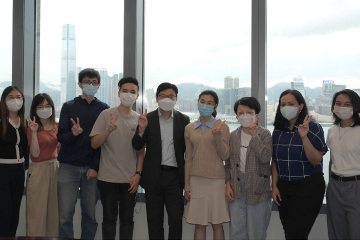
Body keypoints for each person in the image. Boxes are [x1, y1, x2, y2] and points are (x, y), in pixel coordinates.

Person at [132, 82, 190, 240]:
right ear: (156, 98)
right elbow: (137, 145)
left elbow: (188, 150)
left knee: (176, 221)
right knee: (154, 222)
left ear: (176, 99)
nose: (167, 99)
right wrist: (142, 130)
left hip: (174, 178)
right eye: (163, 96)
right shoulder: (147, 118)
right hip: (153, 178)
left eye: (171, 96)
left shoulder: (183, 120)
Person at [57, 68, 109, 239]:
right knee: (65, 215)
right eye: (87, 82)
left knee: (90, 215)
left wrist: (95, 166)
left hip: (91, 168)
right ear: (79, 84)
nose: (90, 85)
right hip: (68, 167)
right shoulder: (68, 106)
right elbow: (61, 137)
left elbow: (104, 143)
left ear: (99, 85)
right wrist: (73, 134)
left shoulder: (104, 109)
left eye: (94, 82)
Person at [90, 76, 145, 240]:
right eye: (125, 91)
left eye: (132, 92)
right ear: (119, 93)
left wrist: (138, 174)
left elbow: (140, 151)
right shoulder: (106, 115)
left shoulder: (139, 120)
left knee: (128, 221)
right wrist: (108, 130)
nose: (128, 94)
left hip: (130, 179)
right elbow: (94, 144)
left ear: (138, 95)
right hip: (108, 178)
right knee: (109, 220)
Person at [271, 89, 327, 239]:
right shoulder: (278, 130)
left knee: (295, 235)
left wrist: (304, 137)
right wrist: (274, 186)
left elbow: (316, 160)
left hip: (307, 186)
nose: (286, 107)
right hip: (284, 186)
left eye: (291, 103)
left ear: (301, 106)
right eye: (283, 104)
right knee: (290, 233)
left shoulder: (313, 127)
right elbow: (275, 160)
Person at [184, 90, 230, 240]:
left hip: (216, 180)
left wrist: (217, 136)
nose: (205, 105)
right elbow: (188, 158)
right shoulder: (189, 128)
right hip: (196, 180)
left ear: (215, 106)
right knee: (199, 223)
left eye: (209, 103)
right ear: (197, 102)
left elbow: (225, 155)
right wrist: (187, 185)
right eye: (202, 102)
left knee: (217, 223)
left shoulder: (222, 126)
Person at [225, 97, 272, 240]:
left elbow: (265, 158)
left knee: (256, 232)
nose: (245, 116)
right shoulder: (233, 136)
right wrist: (228, 184)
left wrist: (254, 136)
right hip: (237, 187)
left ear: (256, 116)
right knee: (237, 232)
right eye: (241, 113)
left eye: (249, 113)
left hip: (258, 189)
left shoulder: (265, 134)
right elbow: (228, 164)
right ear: (237, 117)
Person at [326, 89, 360, 239]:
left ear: (355, 107)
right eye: (338, 104)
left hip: (356, 185)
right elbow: (332, 159)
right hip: (334, 185)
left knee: (356, 232)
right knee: (336, 232)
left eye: (347, 104)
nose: (342, 107)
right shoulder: (332, 130)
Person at [26, 93, 59, 237]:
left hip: (55, 169)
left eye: (47, 106)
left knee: (53, 213)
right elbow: (35, 154)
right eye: (40, 106)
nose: (44, 109)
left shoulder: (58, 126)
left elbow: (59, 150)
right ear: (35, 109)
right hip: (39, 170)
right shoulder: (32, 128)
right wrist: (33, 133)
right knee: (37, 213)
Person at [0, 86, 29, 237]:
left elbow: (26, 148)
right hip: (3, 170)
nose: (15, 100)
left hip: (19, 170)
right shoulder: (1, 121)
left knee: (14, 213)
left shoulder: (24, 121)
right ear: (4, 101)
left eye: (18, 97)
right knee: (4, 212)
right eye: (11, 97)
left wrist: (25, 166)